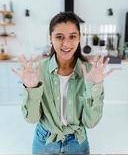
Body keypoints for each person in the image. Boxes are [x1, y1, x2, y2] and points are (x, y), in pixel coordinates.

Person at [13, 12, 110, 155]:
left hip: (77, 142)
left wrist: (94, 87)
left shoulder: (90, 72)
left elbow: (91, 123)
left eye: (72, 36)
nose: (66, 44)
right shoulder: (38, 71)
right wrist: (31, 88)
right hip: (44, 141)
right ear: (50, 38)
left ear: (79, 38)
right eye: (59, 37)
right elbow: (32, 119)